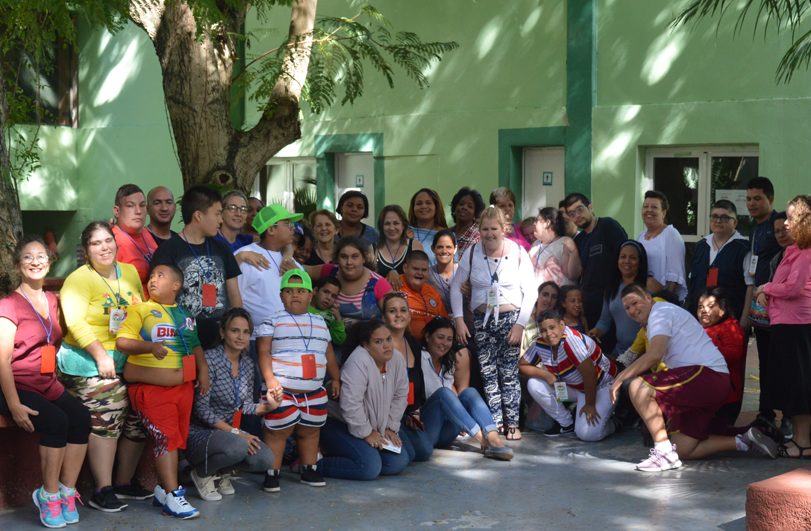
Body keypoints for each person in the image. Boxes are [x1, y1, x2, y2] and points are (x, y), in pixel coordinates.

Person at [610, 284, 777, 471]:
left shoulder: (660, 312)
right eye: (627, 307)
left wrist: (619, 378)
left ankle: (663, 454)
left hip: (707, 376)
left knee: (637, 387)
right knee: (683, 449)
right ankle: (744, 441)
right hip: (703, 383)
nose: (632, 310)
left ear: (649, 298)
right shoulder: (658, 316)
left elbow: (654, 355)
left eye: (635, 303)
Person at [57, 221, 149, 512]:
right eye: (96, 243)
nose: (104, 247)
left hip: (126, 357)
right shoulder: (78, 279)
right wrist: (100, 355)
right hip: (86, 362)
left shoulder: (130, 272)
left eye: (108, 240)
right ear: (86, 251)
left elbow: (141, 310)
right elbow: (75, 322)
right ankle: (102, 489)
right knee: (112, 402)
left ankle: (123, 483)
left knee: (144, 404)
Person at [0, 238, 90, 528]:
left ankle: (66, 491)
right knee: (55, 421)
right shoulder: (8, 305)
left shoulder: (52, 300)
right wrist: (14, 405)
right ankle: (48, 496)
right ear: (17, 265)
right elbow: (1, 361)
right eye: (28, 257)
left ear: (49, 262)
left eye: (41, 256)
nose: (36, 261)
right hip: (13, 384)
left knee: (80, 417)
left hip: (46, 382)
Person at [116, 264, 209, 519]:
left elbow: (196, 345)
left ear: (176, 286)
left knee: (176, 439)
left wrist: (203, 371)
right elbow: (122, 342)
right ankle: (173, 496)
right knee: (166, 439)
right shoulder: (141, 310)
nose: (153, 279)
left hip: (183, 390)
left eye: (161, 275)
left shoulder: (185, 314)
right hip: (152, 391)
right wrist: (148, 347)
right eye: (151, 276)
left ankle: (161, 490)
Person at [452, 206, 537, 440]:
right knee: (489, 374)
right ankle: (497, 424)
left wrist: (520, 324)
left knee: (509, 373)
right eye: (485, 229)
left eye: (494, 229)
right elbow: (456, 286)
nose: (489, 234)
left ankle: (513, 425)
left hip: (511, 320)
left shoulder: (518, 252)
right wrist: (459, 319)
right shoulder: (471, 252)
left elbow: (531, 292)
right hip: (482, 320)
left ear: (504, 229)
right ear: (479, 230)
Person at [255, 270, 340, 491]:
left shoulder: (320, 321)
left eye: (301, 291)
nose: (295, 295)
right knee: (277, 432)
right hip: (282, 390)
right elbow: (263, 351)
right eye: (289, 291)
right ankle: (272, 473)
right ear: (281, 295)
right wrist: (270, 379)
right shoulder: (271, 320)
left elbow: (329, 353)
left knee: (310, 431)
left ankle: (308, 469)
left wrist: (336, 378)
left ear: (311, 295)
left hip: (314, 391)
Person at [186, 308, 278, 502]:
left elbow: (243, 406)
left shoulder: (248, 364)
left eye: (246, 332)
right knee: (238, 446)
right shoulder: (209, 360)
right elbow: (201, 410)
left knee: (265, 458)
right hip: (200, 434)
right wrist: (236, 434)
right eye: (235, 330)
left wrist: (268, 406)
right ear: (222, 333)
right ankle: (201, 474)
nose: (241, 337)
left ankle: (221, 472)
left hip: (229, 435)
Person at [150, 185, 243, 349]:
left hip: (220, 341)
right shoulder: (168, 250)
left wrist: (239, 330)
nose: (221, 220)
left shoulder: (222, 249)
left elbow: (235, 295)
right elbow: (159, 300)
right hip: (182, 340)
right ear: (199, 216)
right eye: (217, 214)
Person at [318, 320, 411, 480]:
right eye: (378, 341)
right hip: (337, 422)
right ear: (366, 346)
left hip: (372, 426)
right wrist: (366, 433)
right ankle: (312, 464)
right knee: (368, 467)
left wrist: (389, 427)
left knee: (398, 462)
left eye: (388, 339)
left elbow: (401, 396)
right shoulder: (358, 361)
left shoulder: (397, 359)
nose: (387, 345)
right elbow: (350, 405)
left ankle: (357, 453)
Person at [755, 195, 811, 458]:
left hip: (795, 326)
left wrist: (766, 288)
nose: (786, 223)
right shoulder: (796, 250)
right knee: (793, 386)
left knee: (799, 387)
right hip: (786, 324)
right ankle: (801, 440)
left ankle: (802, 443)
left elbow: (794, 288)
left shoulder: (805, 252)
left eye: (790, 218)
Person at [418, 317, 513, 459]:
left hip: (444, 433)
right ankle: (484, 441)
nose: (445, 343)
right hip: (426, 429)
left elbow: (453, 398)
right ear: (427, 336)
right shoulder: (419, 358)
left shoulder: (447, 361)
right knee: (443, 393)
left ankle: (495, 439)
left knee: (470, 393)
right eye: (440, 337)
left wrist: (460, 419)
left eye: (449, 339)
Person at [520, 309, 619, 441]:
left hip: (601, 387)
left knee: (589, 435)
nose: (548, 334)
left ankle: (615, 423)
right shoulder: (540, 343)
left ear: (562, 325)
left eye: (552, 327)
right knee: (534, 383)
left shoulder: (571, 341)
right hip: (577, 387)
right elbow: (522, 365)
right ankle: (567, 424)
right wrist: (545, 375)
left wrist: (590, 405)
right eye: (543, 330)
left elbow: (590, 375)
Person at [746, 177, 782, 429]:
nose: (751, 204)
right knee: (765, 360)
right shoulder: (755, 228)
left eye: (757, 198)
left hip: (782, 305)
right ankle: (766, 413)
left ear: (770, 200)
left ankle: (790, 417)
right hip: (760, 307)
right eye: (748, 199)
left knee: (784, 362)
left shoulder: (779, 224)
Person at [563, 193, 628, 331]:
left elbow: (625, 257)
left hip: (612, 302)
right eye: (572, 213)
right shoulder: (578, 241)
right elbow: (575, 275)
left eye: (580, 209)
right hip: (589, 306)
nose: (577, 215)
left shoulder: (607, 225)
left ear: (590, 208)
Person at [381, 293, 431, 462]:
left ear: (409, 316)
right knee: (406, 457)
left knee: (425, 452)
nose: (398, 315)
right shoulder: (380, 346)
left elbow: (419, 383)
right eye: (392, 311)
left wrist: (415, 412)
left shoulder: (413, 343)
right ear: (384, 317)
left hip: (407, 414)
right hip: (385, 415)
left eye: (403, 310)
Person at [303, 236, 393, 329]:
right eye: (344, 257)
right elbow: (301, 270)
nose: (349, 262)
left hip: (369, 340)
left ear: (363, 258)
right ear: (337, 258)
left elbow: (395, 318)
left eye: (354, 257)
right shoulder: (330, 271)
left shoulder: (378, 283)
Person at [688, 200, 753, 324]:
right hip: (698, 321)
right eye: (714, 217)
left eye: (724, 217)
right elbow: (693, 283)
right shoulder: (701, 245)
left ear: (735, 222)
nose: (718, 221)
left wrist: (745, 320)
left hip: (729, 322)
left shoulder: (743, 249)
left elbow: (750, 286)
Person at [589, 241, 657, 356]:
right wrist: (597, 331)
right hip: (621, 351)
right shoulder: (611, 288)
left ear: (640, 263)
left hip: (646, 352)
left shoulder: (649, 284)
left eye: (633, 258)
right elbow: (605, 320)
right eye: (623, 257)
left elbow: (666, 312)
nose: (627, 261)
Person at [696, 288, 747, 426]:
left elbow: (735, 355)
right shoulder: (696, 329)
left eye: (710, 307)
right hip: (703, 395)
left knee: (714, 433)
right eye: (700, 307)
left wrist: (707, 346)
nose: (704, 311)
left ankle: (751, 436)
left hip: (725, 397)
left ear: (722, 310)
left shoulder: (730, 327)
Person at [637, 190, 687, 301]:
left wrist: (665, 301)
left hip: (662, 300)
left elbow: (675, 273)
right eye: (645, 206)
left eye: (654, 207)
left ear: (664, 213)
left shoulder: (671, 234)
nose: (649, 210)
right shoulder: (641, 236)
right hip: (644, 298)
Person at [112, 184, 159, 297]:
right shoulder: (111, 240)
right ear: (117, 211)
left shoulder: (145, 232)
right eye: (130, 206)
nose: (138, 211)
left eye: (142, 205)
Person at [400, 251, 448, 338]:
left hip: (432, 345)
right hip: (403, 343)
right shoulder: (394, 284)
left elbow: (445, 324)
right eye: (415, 269)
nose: (420, 273)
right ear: (405, 268)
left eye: (424, 270)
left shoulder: (433, 293)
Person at [529, 207, 581, 288]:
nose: (534, 224)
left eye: (537, 220)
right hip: (537, 298)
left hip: (560, 297)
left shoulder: (565, 243)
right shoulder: (535, 244)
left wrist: (573, 252)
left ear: (547, 223)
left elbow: (573, 275)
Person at [376, 205, 424, 291]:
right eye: (387, 223)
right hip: (380, 301)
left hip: (410, 301)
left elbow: (421, 277)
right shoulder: (373, 250)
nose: (391, 228)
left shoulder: (415, 246)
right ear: (381, 227)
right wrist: (389, 274)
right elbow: (369, 283)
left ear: (403, 226)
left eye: (396, 223)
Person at [408, 188, 448, 266]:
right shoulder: (404, 233)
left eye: (428, 203)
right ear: (413, 208)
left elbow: (452, 268)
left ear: (436, 207)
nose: (423, 206)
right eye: (419, 203)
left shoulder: (446, 236)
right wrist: (403, 243)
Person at [449, 187, 486, 261]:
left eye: (470, 207)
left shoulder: (478, 238)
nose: (464, 208)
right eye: (461, 204)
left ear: (475, 214)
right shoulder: (447, 233)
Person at [308, 276, 347, 346]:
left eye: (333, 296)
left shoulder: (331, 315)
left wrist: (338, 320)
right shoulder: (303, 307)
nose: (329, 298)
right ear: (315, 291)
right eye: (326, 292)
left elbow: (339, 341)